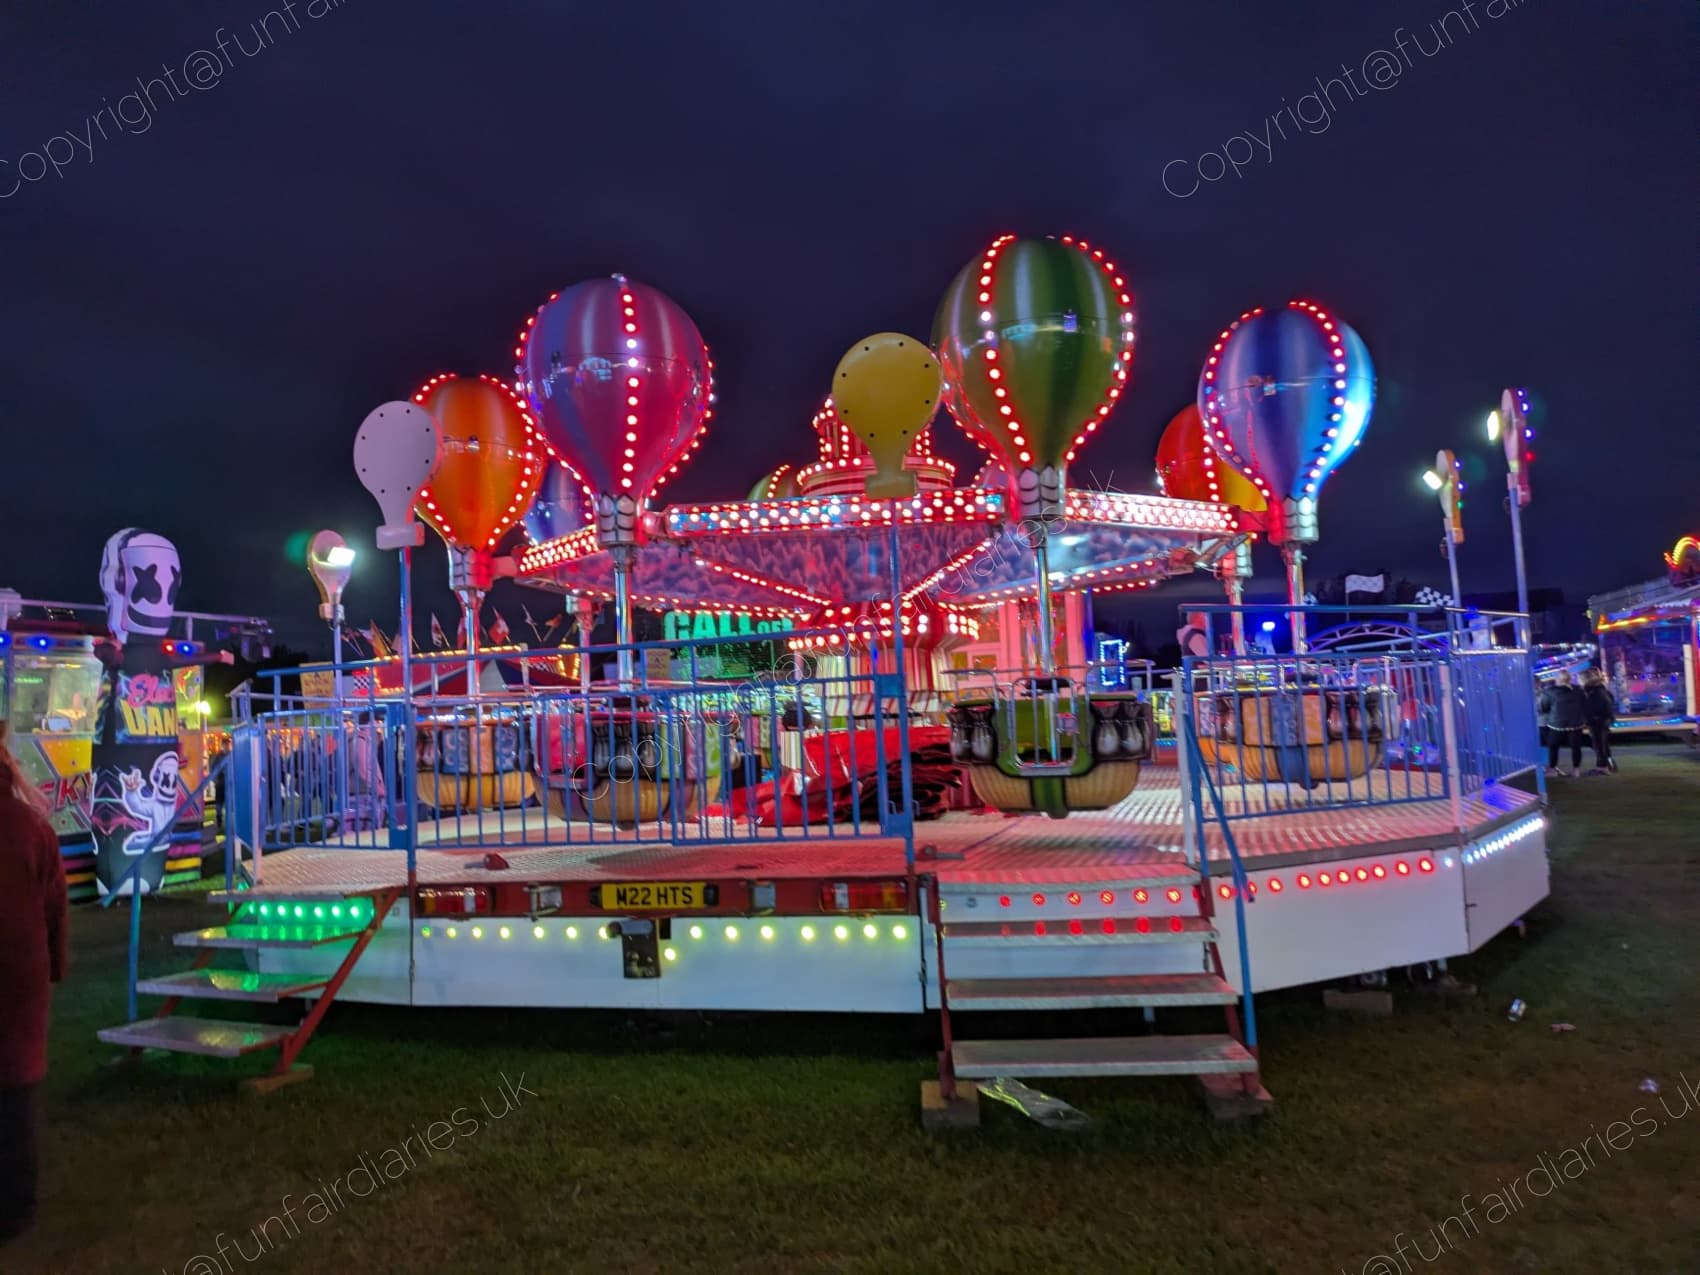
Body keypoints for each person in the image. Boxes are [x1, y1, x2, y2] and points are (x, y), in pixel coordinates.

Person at [0, 732, 68, 1245]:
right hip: (22, 975)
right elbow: (55, 908)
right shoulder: (32, 827)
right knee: (16, 1091)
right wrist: (54, 966)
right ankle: (17, 1204)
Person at [1538, 670, 1585, 778]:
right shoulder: (1579, 691)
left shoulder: (1550, 692)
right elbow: (1584, 704)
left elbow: (1544, 707)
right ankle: (1576, 770)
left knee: (1553, 746)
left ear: (1558, 679)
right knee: (1576, 747)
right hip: (1576, 723)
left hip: (1556, 723)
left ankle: (1552, 769)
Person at [1581, 667, 1618, 774]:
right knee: (1601, 744)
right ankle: (1607, 764)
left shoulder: (1595, 692)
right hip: (1602, 721)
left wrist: (1591, 718)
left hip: (1598, 721)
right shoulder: (1601, 690)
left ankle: (1603, 766)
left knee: (1599, 744)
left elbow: (1596, 708)